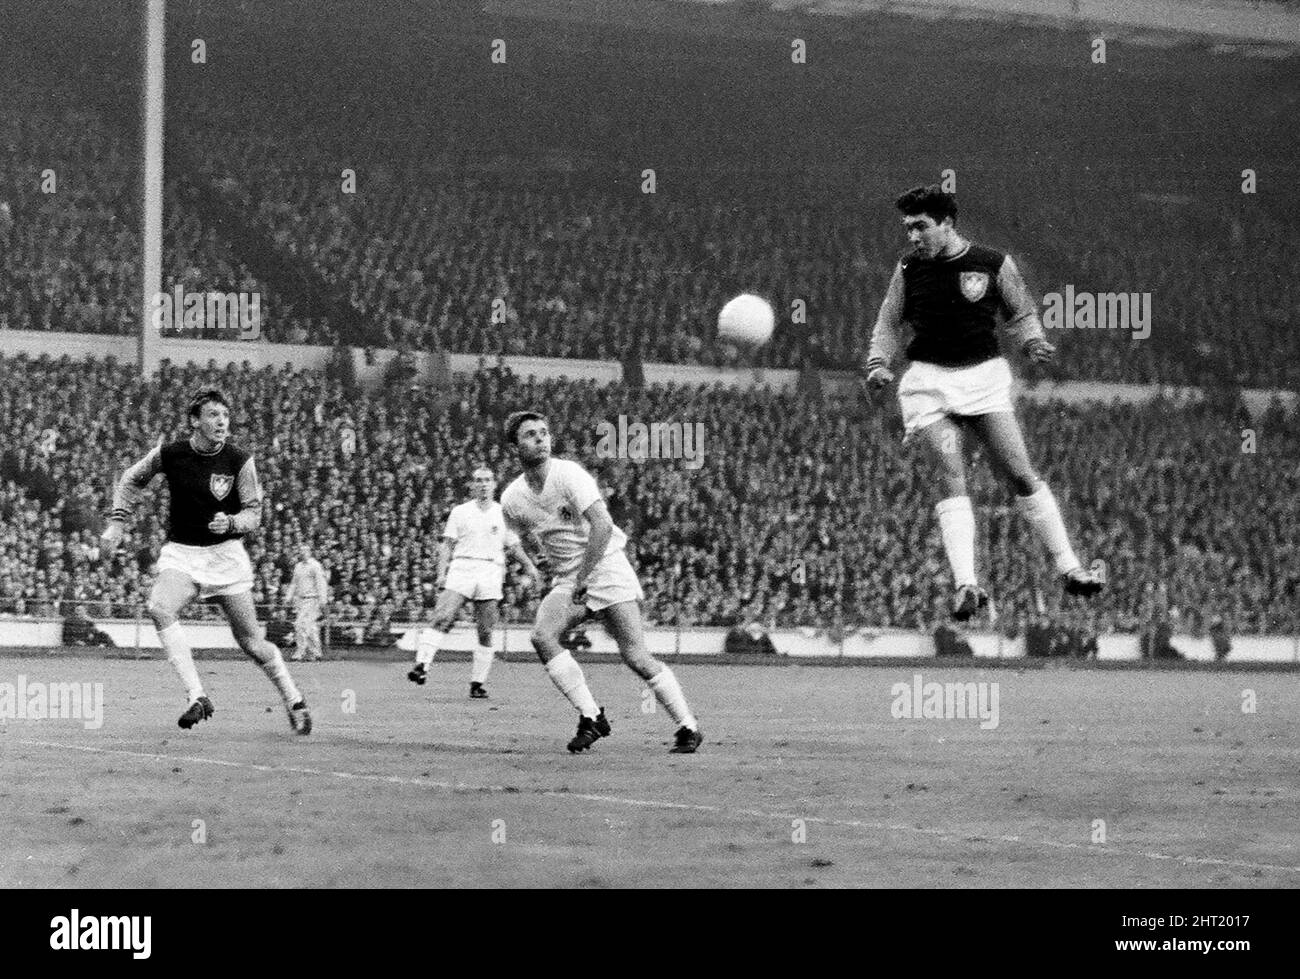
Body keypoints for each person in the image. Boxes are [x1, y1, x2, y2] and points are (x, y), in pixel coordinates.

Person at [865, 184, 1105, 621]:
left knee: (1020, 475)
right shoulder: (907, 267)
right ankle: (967, 586)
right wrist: (879, 362)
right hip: (929, 385)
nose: (913, 237)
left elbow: (1022, 312)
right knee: (950, 473)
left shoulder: (992, 264)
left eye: (920, 227)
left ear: (947, 223)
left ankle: (1070, 568)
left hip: (984, 381)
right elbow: (887, 321)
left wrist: (1032, 342)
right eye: (908, 228)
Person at [101, 389, 311, 734]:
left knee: (251, 642)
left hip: (225, 555)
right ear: (194, 421)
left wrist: (231, 523)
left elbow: (254, 514)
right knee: (159, 607)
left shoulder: (239, 460)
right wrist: (117, 523)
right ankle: (198, 695)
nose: (221, 422)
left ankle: (294, 699)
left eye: (225, 416)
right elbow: (130, 480)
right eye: (213, 415)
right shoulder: (170, 454)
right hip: (183, 552)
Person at [499, 411, 703, 753]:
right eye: (530, 434)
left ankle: (688, 727)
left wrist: (581, 577)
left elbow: (603, 527)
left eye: (544, 432)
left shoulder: (569, 475)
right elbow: (523, 533)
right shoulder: (512, 499)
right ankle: (592, 717)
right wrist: (544, 559)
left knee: (636, 656)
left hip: (606, 567)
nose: (540, 439)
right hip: (570, 577)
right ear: (514, 447)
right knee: (542, 636)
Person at [407, 467, 541, 698]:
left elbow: (514, 546)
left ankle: (477, 684)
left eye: (487, 480)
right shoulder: (460, 512)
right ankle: (422, 666)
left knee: (486, 630)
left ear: (494, 485)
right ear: (472, 485)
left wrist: (529, 566)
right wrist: (441, 573)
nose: (483, 484)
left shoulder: (503, 513)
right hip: (463, 567)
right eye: (478, 480)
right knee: (442, 616)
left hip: (491, 569)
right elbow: (447, 544)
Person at [286, 542, 329, 662]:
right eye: (301, 551)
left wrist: (322, 600)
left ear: (310, 552)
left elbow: (321, 583)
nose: (303, 553)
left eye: (305, 551)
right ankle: (316, 652)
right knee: (311, 627)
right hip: (300, 600)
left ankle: (300, 652)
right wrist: (288, 597)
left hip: (312, 599)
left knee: (300, 625)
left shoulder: (315, 565)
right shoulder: (298, 566)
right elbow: (294, 583)